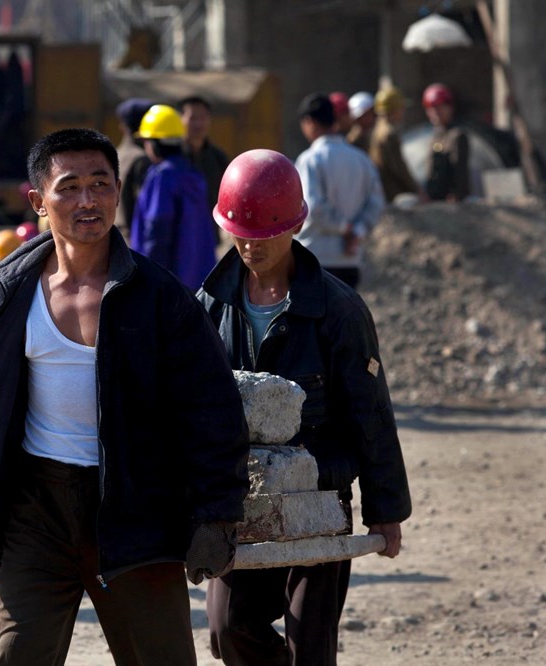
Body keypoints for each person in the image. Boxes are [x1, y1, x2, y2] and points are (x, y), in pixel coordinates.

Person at [0, 128, 250, 665]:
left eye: (100, 184)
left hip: (135, 509)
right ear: (38, 201)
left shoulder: (159, 298)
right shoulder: (9, 292)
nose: (87, 200)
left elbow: (211, 411)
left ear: (119, 191)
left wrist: (217, 515)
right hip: (37, 512)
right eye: (69, 187)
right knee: (20, 656)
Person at [198, 149, 412, 666]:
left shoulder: (336, 311)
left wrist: (385, 512)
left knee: (310, 648)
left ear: (294, 225)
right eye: (239, 232)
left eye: (264, 232)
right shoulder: (210, 305)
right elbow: (193, 410)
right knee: (229, 631)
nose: (250, 245)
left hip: (318, 498)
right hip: (240, 499)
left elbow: (370, 413)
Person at [294, 93, 385, 289]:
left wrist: (345, 228)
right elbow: (376, 203)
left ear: (309, 122)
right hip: (350, 260)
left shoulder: (310, 159)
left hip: (316, 258)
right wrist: (357, 231)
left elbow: (314, 208)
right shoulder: (361, 159)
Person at [130, 104, 217, 290]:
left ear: (154, 143)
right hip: (197, 281)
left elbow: (157, 227)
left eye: (146, 141)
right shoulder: (193, 173)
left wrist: (149, 277)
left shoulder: (162, 175)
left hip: (166, 283)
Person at [179, 95, 231, 221]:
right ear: (181, 119)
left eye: (203, 118)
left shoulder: (218, 158)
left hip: (210, 232)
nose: (198, 124)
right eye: (192, 118)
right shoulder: (172, 157)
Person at [370, 87, 424, 203]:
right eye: (401, 109)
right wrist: (416, 189)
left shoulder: (376, 131)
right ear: (393, 110)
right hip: (393, 194)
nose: (403, 113)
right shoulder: (389, 134)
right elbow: (398, 168)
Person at [112, 97, 153, 239]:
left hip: (114, 236)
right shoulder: (143, 159)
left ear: (123, 126)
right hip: (135, 240)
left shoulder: (115, 154)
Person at [422, 82, 470, 202]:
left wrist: (456, 194)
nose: (436, 113)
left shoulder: (457, 136)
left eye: (439, 107)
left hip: (450, 201)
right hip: (434, 199)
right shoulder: (435, 136)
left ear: (450, 107)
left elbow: (460, 171)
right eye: (431, 109)